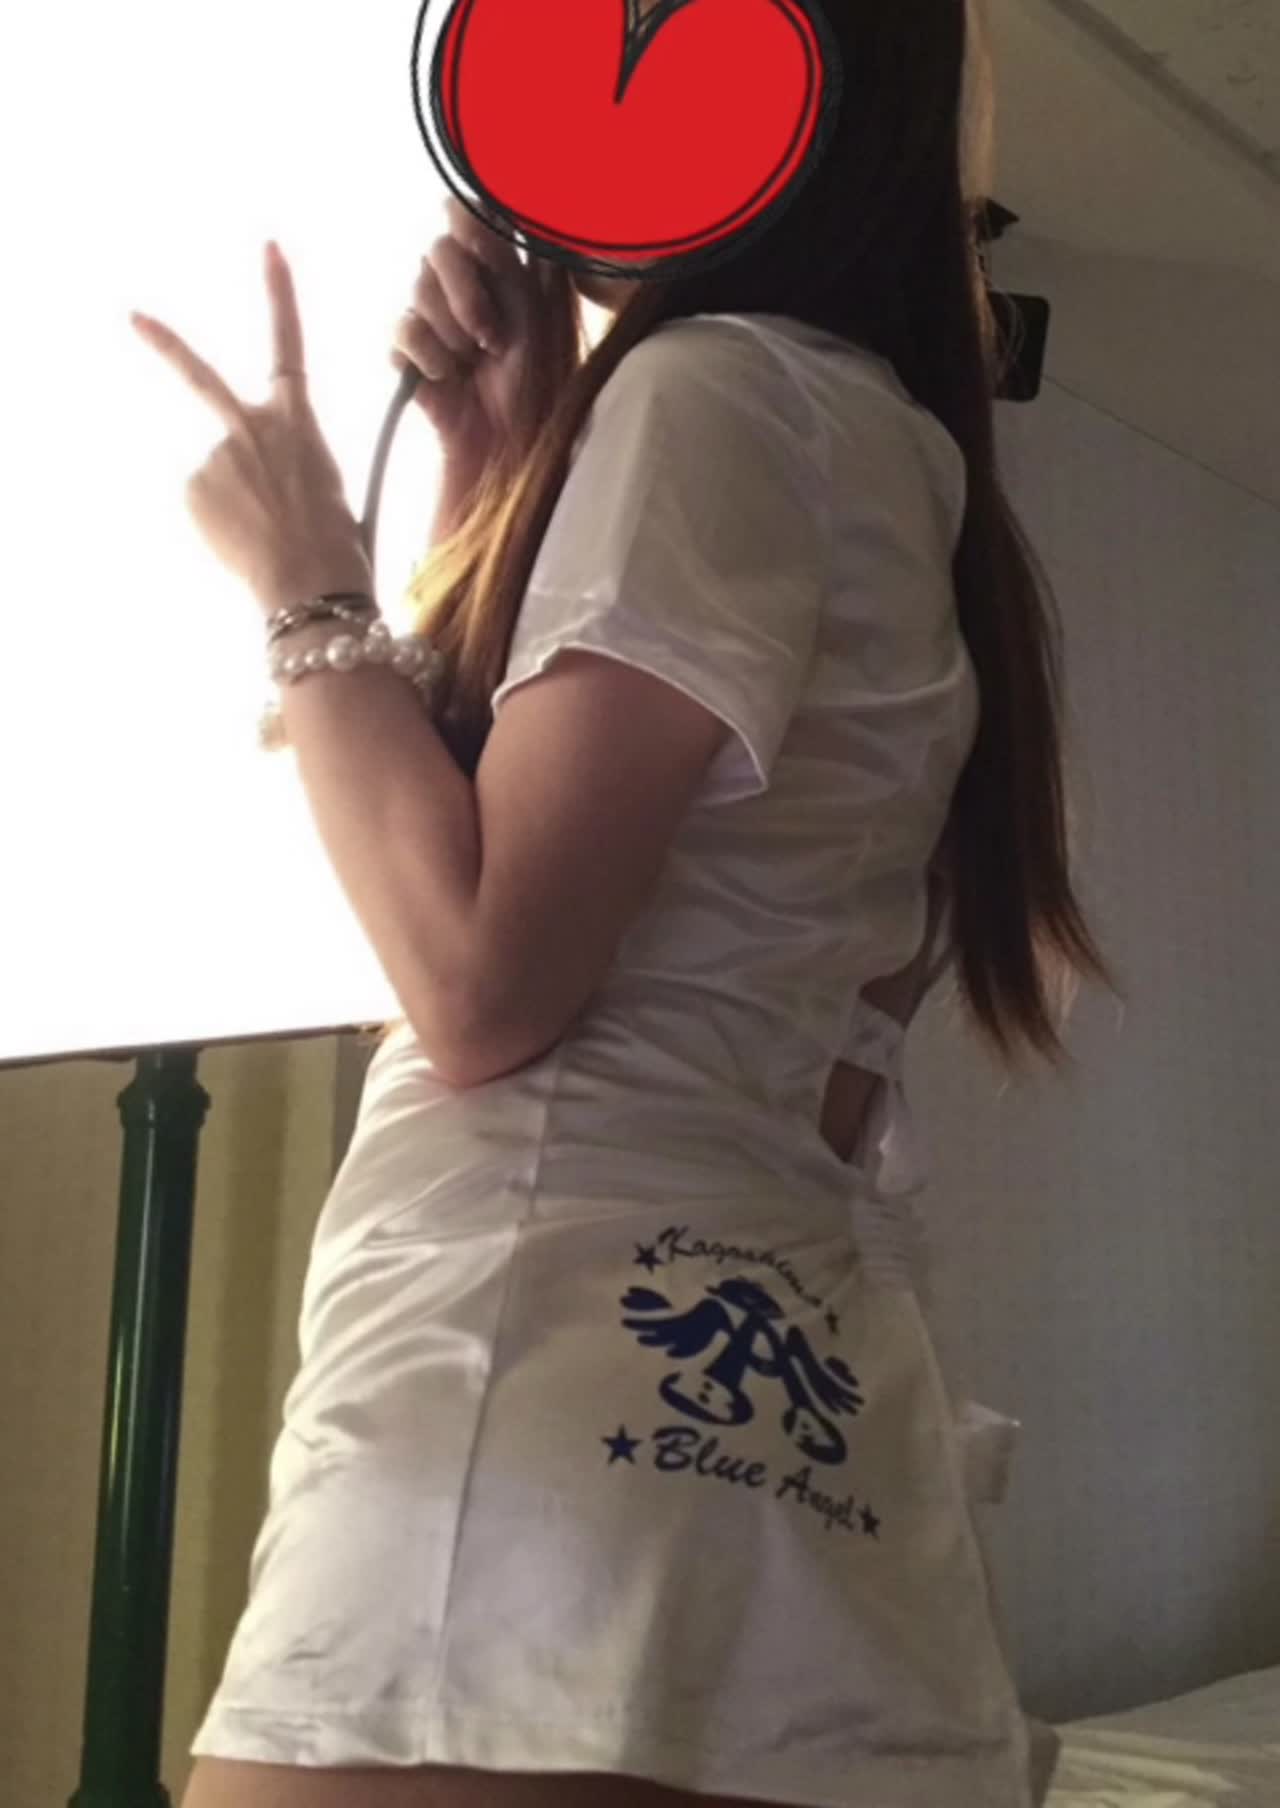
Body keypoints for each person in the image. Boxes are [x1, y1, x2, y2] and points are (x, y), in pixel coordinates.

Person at [184, 2, 1121, 1805]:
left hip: (521, 1395)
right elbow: (645, 903)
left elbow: (481, 981)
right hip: (767, 1402)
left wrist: (307, 583)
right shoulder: (871, 433)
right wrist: (500, 469)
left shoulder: (719, 394)